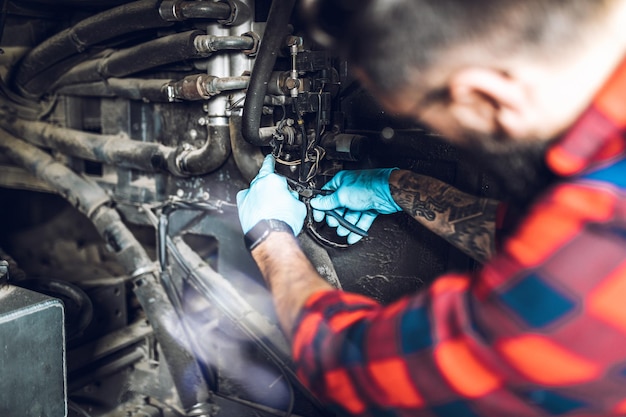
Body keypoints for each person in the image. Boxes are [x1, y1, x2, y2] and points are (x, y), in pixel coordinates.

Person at [236, 0, 626, 415]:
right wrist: (394, 188)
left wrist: (271, 240)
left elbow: (358, 369)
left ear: (485, 95)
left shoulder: (592, 256)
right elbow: (545, 234)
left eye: (426, 115)